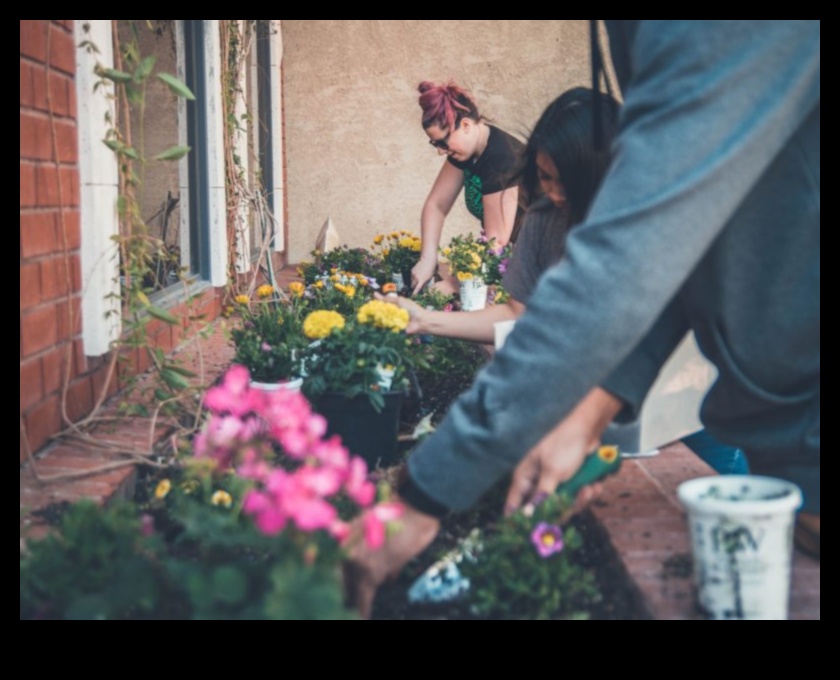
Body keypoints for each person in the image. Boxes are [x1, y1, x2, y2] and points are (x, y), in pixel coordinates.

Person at [346, 20, 820, 616]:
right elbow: (674, 259)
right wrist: (590, 411)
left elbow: (634, 257)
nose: (551, 195)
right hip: (788, 438)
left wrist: (427, 492)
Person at [384, 87, 641, 454]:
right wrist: (423, 317)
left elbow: (494, 245)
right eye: (542, 179)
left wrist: (452, 283)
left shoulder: (631, 228)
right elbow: (515, 314)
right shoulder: (543, 218)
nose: (550, 194)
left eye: (560, 180)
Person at [411, 81, 525, 295]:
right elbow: (436, 205)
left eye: (443, 143)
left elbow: (496, 243)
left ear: (465, 125)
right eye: (435, 144)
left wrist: (453, 284)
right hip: (510, 261)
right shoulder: (467, 151)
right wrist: (427, 259)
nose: (441, 151)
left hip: (541, 262)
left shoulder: (501, 159)